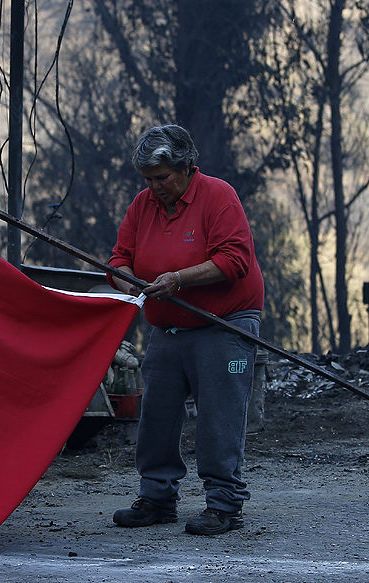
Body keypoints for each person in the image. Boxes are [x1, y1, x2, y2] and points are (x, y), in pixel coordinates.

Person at [108, 124, 264, 536]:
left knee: (219, 417)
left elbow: (234, 260)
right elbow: (119, 260)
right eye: (148, 179)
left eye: (162, 178)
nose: (154, 187)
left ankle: (223, 504)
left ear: (187, 168)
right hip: (168, 328)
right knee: (155, 415)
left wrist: (178, 278)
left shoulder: (218, 196)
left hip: (223, 324)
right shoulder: (142, 206)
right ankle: (157, 497)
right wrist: (131, 284)